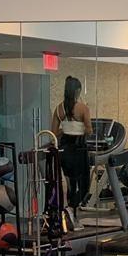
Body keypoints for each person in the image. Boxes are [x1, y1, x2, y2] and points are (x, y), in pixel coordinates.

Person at [53, 75, 91, 212]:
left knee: (69, 181)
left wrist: (65, 129)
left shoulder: (58, 109)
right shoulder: (83, 108)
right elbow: (89, 130)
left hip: (64, 148)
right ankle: (73, 207)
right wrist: (80, 129)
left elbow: (54, 132)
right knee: (83, 184)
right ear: (78, 91)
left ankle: (68, 206)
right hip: (78, 148)